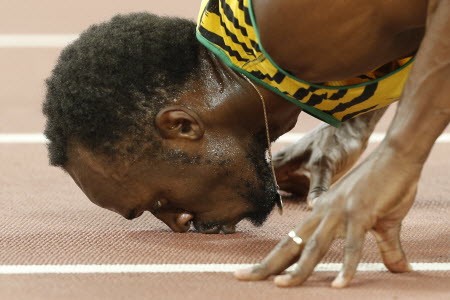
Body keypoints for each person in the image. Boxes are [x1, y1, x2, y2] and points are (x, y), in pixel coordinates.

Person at [42, 0, 449, 288]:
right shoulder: (268, 55)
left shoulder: (291, 28)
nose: (178, 221)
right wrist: (353, 123)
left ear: (182, 126)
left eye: (160, 200)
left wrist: (400, 154)